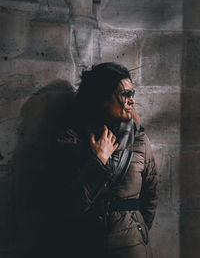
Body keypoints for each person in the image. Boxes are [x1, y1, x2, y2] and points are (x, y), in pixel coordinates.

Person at [52, 62, 158, 258]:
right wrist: (98, 161)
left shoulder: (139, 140)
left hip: (131, 247)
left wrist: (137, 232)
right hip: (84, 245)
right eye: (125, 95)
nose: (132, 101)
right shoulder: (72, 139)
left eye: (132, 94)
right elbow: (67, 205)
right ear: (102, 99)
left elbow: (151, 194)